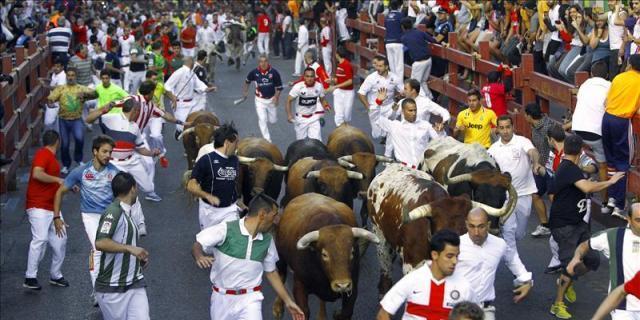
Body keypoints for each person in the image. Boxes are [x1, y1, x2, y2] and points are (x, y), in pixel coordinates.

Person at [53, 136, 144, 304]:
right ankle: (97, 291)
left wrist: (138, 222)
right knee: (98, 248)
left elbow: (130, 194)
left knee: (114, 249)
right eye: (104, 151)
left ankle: (116, 284)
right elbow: (60, 192)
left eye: (110, 152)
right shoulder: (81, 172)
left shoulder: (115, 172)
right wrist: (57, 217)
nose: (108, 155)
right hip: (91, 216)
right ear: (94, 151)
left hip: (112, 214)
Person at [191, 193, 305, 320]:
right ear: (262, 214)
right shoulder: (226, 229)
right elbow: (198, 243)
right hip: (221, 298)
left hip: (251, 299)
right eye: (274, 216)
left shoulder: (267, 241)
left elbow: (271, 272)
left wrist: (288, 301)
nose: (276, 221)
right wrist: (199, 256)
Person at [548, 134, 626, 319]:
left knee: (592, 260)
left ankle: (567, 280)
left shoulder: (571, 168)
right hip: (565, 226)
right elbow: (588, 188)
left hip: (578, 223)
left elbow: (553, 193)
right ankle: (557, 304)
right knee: (569, 264)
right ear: (581, 150)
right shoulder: (568, 168)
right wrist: (610, 182)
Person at [377, 229, 478, 320]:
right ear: (434, 255)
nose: (455, 261)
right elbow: (383, 314)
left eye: (457, 256)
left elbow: (478, 316)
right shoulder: (412, 279)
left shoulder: (465, 287)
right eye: (449, 256)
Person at [565, 203, 640, 320]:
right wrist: (576, 258)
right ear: (628, 219)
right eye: (638, 220)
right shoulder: (613, 236)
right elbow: (585, 245)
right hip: (622, 307)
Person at [488, 115, 543, 274]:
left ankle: (509, 251)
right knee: (510, 234)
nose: (505, 131)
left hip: (524, 194)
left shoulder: (522, 141)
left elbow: (533, 152)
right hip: (506, 198)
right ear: (497, 129)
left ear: (513, 127)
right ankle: (518, 271)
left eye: (508, 127)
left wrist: (536, 162)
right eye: (502, 128)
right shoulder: (493, 150)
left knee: (519, 234)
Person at [85, 93, 163, 202]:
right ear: (135, 110)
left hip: (131, 161)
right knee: (114, 191)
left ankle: (150, 193)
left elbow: (140, 148)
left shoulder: (135, 127)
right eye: (138, 111)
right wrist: (103, 110)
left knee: (148, 187)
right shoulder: (110, 118)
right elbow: (88, 119)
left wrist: (152, 153)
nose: (139, 114)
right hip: (114, 164)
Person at [456, 208, 533, 320]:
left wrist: (526, 280)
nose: (476, 232)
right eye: (471, 226)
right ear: (466, 225)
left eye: (481, 226)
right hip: (459, 310)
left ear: (488, 225)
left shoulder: (499, 244)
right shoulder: (456, 245)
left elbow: (512, 259)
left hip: (485, 310)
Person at [95, 172, 150, 320]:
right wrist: (130, 249)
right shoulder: (113, 212)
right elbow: (100, 242)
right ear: (133, 188)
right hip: (112, 288)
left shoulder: (128, 211)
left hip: (135, 282)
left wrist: (137, 259)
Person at [544, 125, 598, 275]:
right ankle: (566, 263)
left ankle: (571, 266)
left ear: (550, 139)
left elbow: (594, 167)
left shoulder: (575, 156)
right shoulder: (552, 155)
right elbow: (551, 176)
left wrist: (581, 169)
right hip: (563, 200)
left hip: (580, 201)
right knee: (561, 237)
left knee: (578, 232)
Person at [23, 130, 68, 290]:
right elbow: (37, 174)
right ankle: (30, 277)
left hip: (51, 207)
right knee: (40, 239)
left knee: (60, 240)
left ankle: (56, 275)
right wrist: (58, 179)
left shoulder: (49, 157)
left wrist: (65, 185)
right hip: (38, 205)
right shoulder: (43, 154)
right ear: (58, 141)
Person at [601, 54, 640, 218]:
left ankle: (611, 198)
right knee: (623, 163)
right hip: (622, 122)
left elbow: (605, 101)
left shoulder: (618, 77)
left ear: (629, 64)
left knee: (611, 162)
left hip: (607, 118)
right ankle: (619, 204)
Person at [569, 60, 610, 208]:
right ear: (607, 75)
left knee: (575, 159)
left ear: (591, 74)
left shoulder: (585, 85)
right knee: (603, 166)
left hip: (578, 129)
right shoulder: (609, 86)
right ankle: (605, 203)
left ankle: (577, 191)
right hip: (596, 133)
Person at [187, 123, 243, 230]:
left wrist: (238, 201)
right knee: (210, 246)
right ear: (227, 143)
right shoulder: (206, 160)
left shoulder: (235, 160)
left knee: (230, 240)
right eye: (236, 142)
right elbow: (191, 185)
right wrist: (207, 195)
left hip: (230, 211)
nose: (237, 146)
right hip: (210, 211)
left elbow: (231, 183)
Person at [47, 68, 94, 174]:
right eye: (69, 75)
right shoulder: (60, 88)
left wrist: (85, 95)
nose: (70, 77)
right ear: (66, 76)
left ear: (76, 77)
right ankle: (66, 165)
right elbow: (51, 99)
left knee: (80, 139)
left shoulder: (81, 88)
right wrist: (50, 103)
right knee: (65, 144)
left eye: (73, 75)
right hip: (63, 120)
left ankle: (78, 159)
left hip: (77, 119)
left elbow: (95, 94)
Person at [377, 96, 440, 168]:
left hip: (423, 169)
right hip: (402, 170)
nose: (414, 113)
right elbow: (376, 118)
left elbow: (439, 141)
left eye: (415, 110)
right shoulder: (395, 126)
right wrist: (378, 102)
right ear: (403, 111)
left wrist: (441, 132)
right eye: (410, 110)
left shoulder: (426, 125)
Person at [357, 56, 404, 152]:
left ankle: (389, 142)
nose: (377, 68)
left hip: (390, 107)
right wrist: (368, 107)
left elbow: (402, 90)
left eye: (380, 66)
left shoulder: (395, 78)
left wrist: (402, 94)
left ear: (386, 67)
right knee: (377, 134)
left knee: (391, 126)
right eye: (377, 66)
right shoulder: (371, 78)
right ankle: (385, 136)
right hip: (376, 108)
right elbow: (361, 93)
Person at [524, 103, 555, 238]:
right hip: (539, 166)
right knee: (535, 194)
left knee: (554, 197)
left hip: (551, 168)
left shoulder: (549, 127)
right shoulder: (535, 125)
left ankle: (565, 223)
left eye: (525, 114)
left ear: (529, 116)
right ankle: (545, 225)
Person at [164, 56, 216, 136]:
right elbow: (167, 86)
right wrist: (172, 98)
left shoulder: (192, 73)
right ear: (190, 62)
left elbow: (198, 84)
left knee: (198, 122)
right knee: (183, 127)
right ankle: (178, 130)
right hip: (181, 105)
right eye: (193, 61)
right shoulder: (179, 72)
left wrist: (207, 89)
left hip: (193, 103)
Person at [242, 54, 283, 143]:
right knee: (262, 119)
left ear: (268, 62)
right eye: (261, 62)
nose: (263, 64)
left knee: (273, 121)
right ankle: (267, 139)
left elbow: (279, 87)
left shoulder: (274, 72)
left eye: (265, 61)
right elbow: (247, 81)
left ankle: (269, 115)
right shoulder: (254, 72)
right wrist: (245, 91)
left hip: (271, 100)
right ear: (258, 63)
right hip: (260, 100)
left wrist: (276, 97)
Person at [286, 67, 331, 140]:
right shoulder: (298, 87)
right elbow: (288, 100)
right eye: (307, 76)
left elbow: (322, 99)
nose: (309, 78)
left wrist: (326, 105)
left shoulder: (319, 86)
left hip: (314, 117)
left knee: (317, 142)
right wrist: (289, 115)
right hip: (301, 119)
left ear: (314, 77)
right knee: (300, 143)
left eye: (311, 76)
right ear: (304, 77)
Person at [400, 17, 435, 98]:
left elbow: (404, 50)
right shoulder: (420, 32)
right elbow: (432, 40)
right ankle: (430, 98)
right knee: (423, 81)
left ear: (402, 27)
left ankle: (425, 101)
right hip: (428, 60)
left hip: (418, 62)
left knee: (414, 84)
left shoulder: (404, 38)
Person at [326, 46, 354, 126]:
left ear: (337, 54)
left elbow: (350, 81)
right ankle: (341, 130)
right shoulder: (340, 65)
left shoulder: (346, 65)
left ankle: (344, 128)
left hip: (348, 92)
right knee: (339, 115)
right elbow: (340, 79)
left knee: (346, 115)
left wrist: (335, 86)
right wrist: (331, 80)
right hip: (339, 92)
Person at [384, 0, 405, 81]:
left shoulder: (387, 16)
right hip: (398, 42)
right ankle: (399, 85)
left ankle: (393, 83)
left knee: (392, 65)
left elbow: (385, 26)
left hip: (388, 42)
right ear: (399, 6)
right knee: (399, 65)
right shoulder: (401, 15)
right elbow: (403, 27)